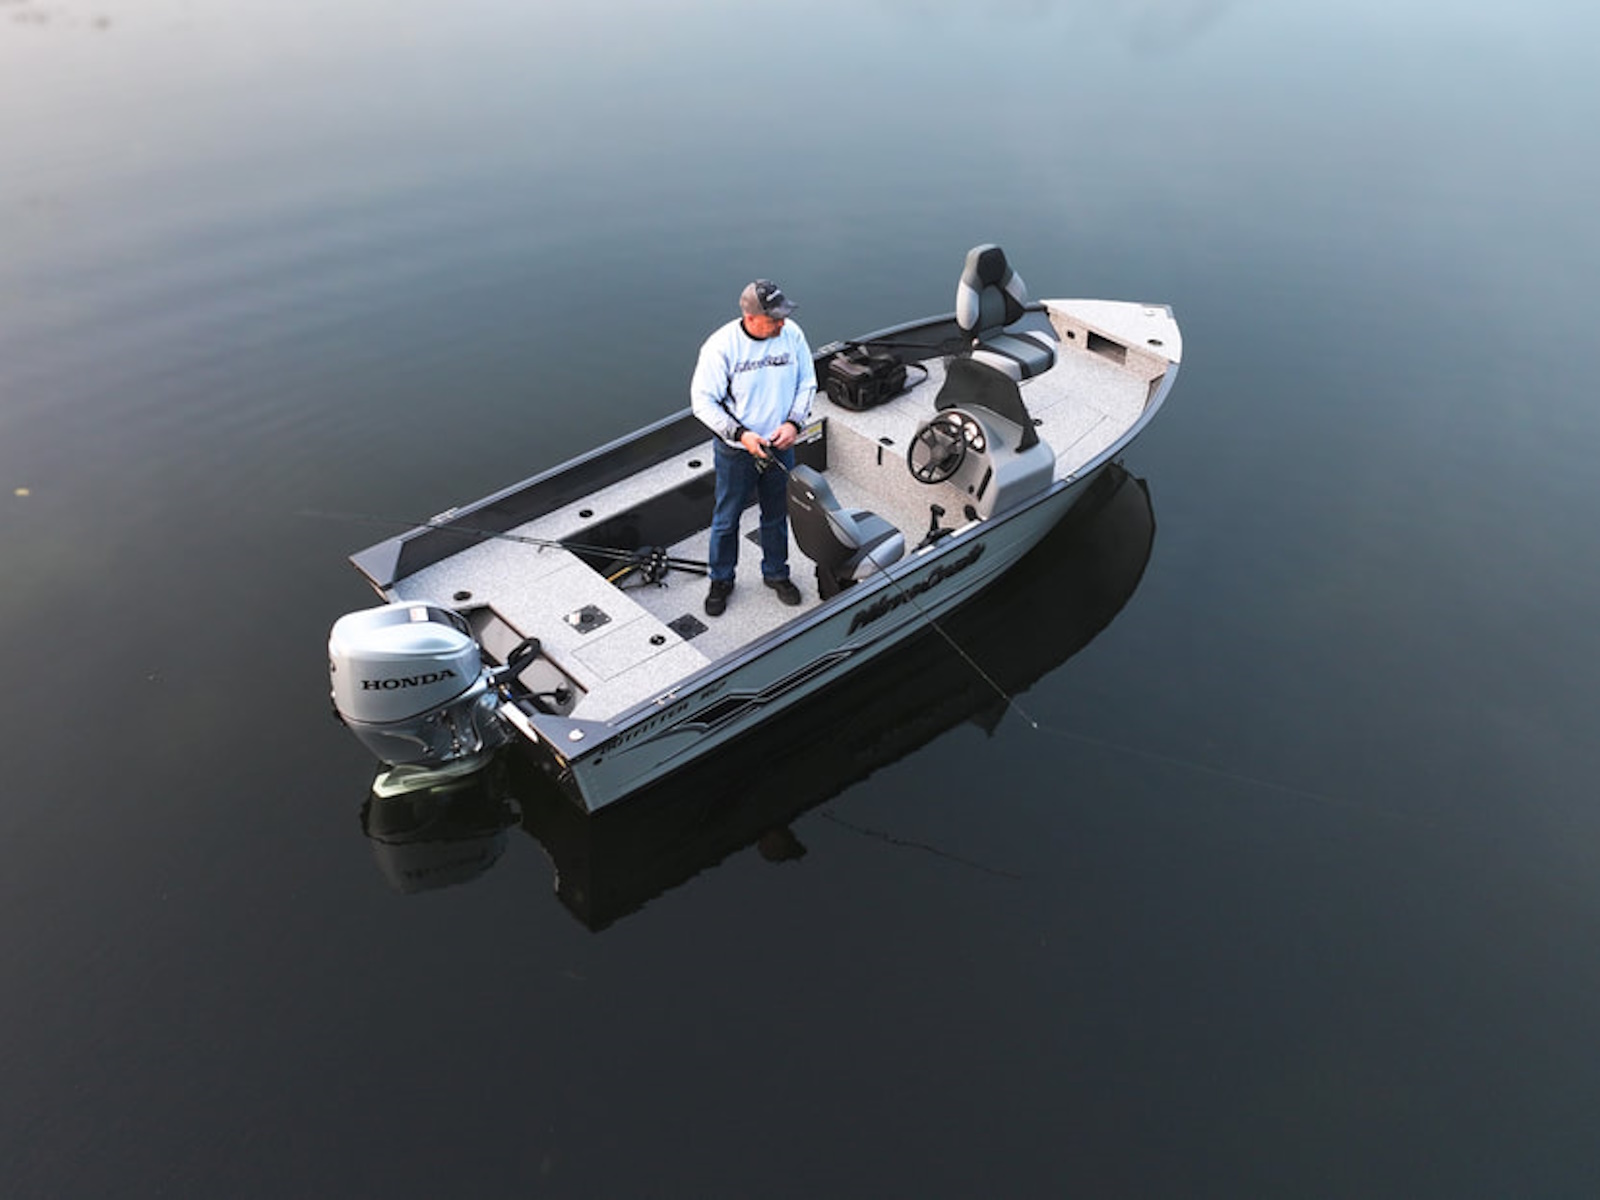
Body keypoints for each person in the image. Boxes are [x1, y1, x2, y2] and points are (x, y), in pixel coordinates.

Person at [689, 278, 816, 617]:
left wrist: (794, 423)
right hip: (736, 450)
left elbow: (807, 382)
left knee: (776, 514)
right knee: (726, 517)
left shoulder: (792, 335)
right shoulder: (721, 347)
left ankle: (776, 574)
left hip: (780, 444)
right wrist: (741, 434)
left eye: (783, 316)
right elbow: (703, 402)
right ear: (751, 318)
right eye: (774, 318)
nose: (782, 323)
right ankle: (721, 580)